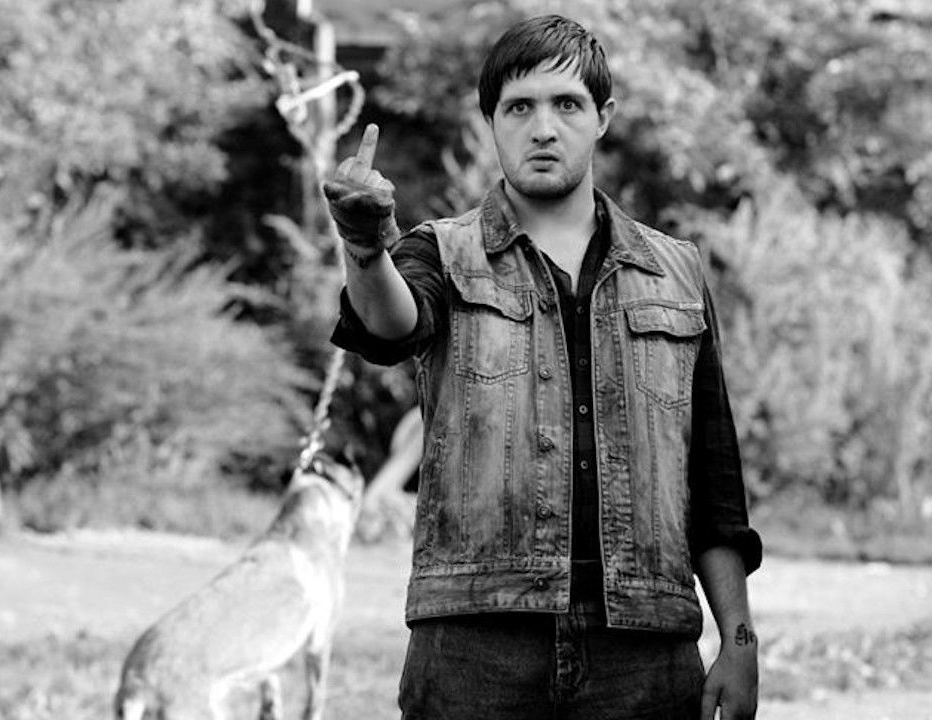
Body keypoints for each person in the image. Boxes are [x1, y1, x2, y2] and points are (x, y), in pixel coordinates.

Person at [325, 14, 762, 720]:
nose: (544, 128)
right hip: (476, 649)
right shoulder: (441, 252)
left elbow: (714, 485)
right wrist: (366, 248)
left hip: (644, 652)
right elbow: (390, 326)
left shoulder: (675, 272)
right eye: (520, 107)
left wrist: (739, 640)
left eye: (566, 105)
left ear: (602, 117)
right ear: (491, 122)